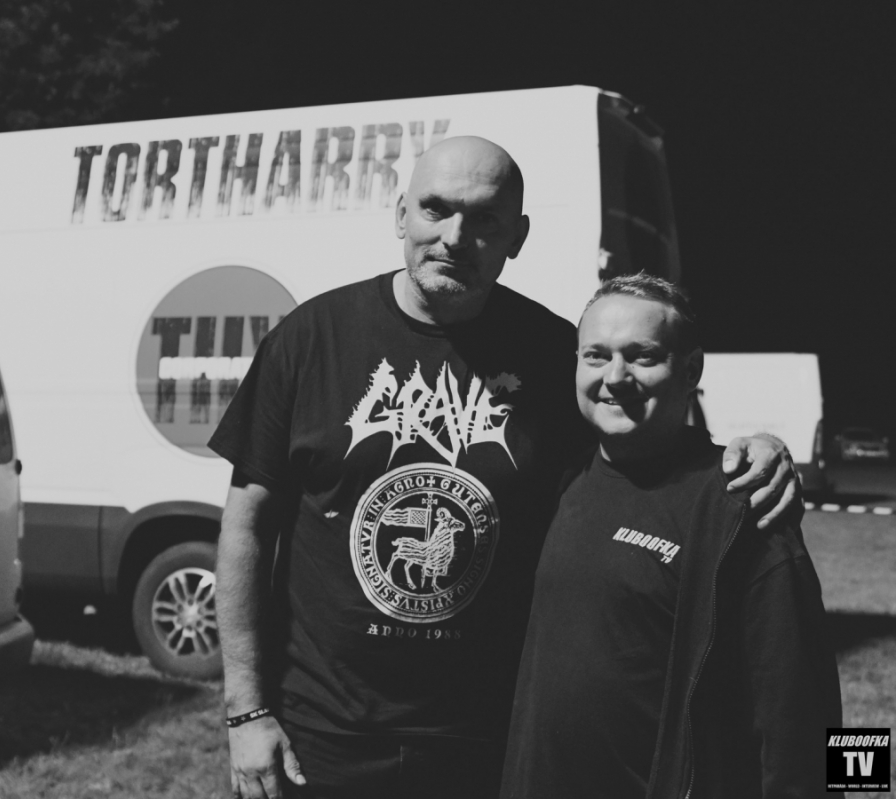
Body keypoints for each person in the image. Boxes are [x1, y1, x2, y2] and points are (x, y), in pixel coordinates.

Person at [209, 136, 800, 799]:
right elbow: (246, 528)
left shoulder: (554, 355)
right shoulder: (309, 339)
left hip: (487, 744)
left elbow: (641, 444)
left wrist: (749, 454)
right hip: (320, 736)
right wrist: (246, 711)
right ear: (401, 215)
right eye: (436, 209)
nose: (455, 237)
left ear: (516, 237)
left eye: (485, 219)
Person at [500, 274, 842, 799]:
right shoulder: (557, 482)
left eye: (642, 356)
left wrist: (857, 784)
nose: (616, 377)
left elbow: (814, 709)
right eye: (596, 356)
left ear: (691, 370)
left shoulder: (742, 506)